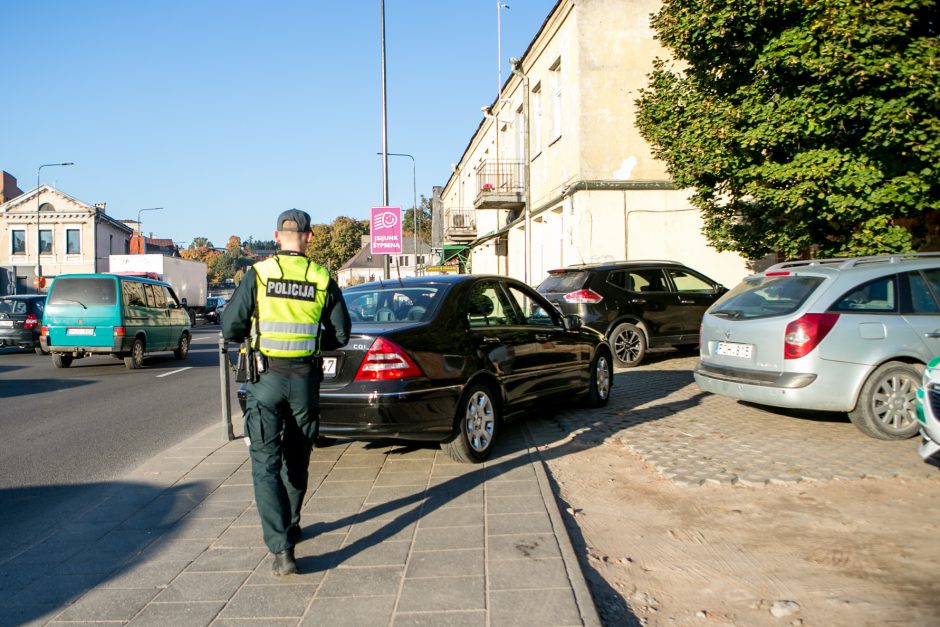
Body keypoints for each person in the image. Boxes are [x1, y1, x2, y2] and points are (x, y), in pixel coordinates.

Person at [221, 209, 351, 576]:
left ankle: (282, 550)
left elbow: (230, 326)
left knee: (265, 464)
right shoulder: (321, 276)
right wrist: (309, 342)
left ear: (277, 237)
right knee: (298, 456)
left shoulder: (259, 275)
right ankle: (293, 523)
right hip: (304, 381)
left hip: (266, 380)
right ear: (308, 237)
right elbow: (340, 334)